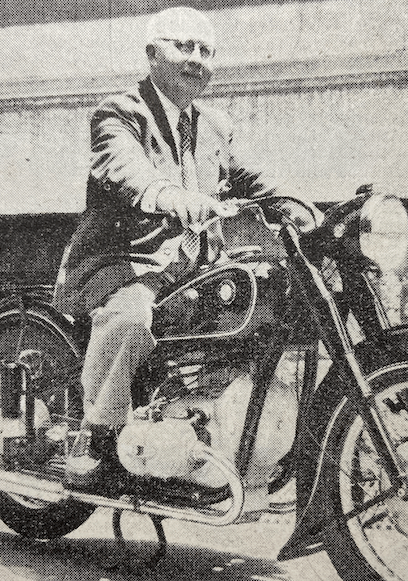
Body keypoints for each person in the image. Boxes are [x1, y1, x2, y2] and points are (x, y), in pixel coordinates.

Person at [53, 6, 321, 489]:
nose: (196, 59)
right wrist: (170, 196)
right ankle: (98, 437)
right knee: (131, 318)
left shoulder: (214, 125)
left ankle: (213, 438)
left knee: (260, 315)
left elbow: (252, 177)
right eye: (184, 47)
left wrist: (303, 209)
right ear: (152, 54)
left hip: (194, 269)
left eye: (206, 51)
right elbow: (127, 170)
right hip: (127, 264)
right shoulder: (120, 112)